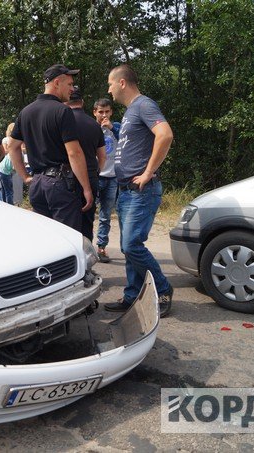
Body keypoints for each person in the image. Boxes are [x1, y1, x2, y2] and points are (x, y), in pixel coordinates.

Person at [104, 64, 174, 317]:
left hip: (141, 190)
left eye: (110, 84)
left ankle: (163, 289)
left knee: (132, 245)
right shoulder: (131, 111)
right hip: (126, 191)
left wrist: (148, 172)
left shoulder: (144, 105)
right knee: (128, 247)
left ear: (122, 82)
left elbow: (165, 135)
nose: (109, 90)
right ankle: (132, 295)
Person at [7, 64, 93, 232]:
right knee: (68, 236)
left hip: (37, 184)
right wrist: (86, 188)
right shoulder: (63, 111)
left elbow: (12, 146)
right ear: (57, 83)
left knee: (47, 236)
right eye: (69, 84)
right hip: (60, 184)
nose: (72, 89)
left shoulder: (26, 112)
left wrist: (25, 177)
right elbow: (74, 153)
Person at [66, 87, 106, 241]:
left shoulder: (62, 122)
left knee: (67, 221)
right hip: (90, 177)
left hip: (66, 177)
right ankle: (87, 251)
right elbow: (102, 156)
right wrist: (97, 172)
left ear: (66, 102)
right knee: (87, 221)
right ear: (82, 102)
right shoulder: (94, 125)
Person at [92, 98, 121, 263]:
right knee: (88, 212)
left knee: (105, 215)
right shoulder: (91, 128)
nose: (104, 115)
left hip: (112, 177)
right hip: (95, 176)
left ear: (111, 112)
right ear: (94, 112)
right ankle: (85, 246)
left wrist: (111, 127)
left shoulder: (116, 127)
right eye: (100, 112)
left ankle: (101, 247)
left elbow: (127, 140)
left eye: (107, 111)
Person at [0, 123, 16, 205]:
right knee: (9, 191)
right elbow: (5, 151)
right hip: (4, 171)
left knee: (4, 191)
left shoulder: (9, 141)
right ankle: (10, 206)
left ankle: (4, 205)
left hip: (1, 170)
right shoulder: (11, 142)